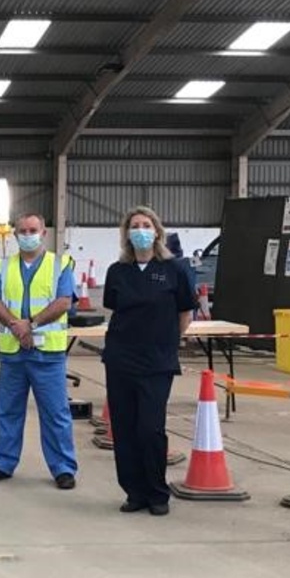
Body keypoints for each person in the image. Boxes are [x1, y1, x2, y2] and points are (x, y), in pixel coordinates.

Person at [101, 206, 196, 517]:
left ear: (156, 231)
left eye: (145, 225)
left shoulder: (175, 270)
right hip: (120, 359)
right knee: (124, 428)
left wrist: (170, 342)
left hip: (156, 361)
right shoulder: (118, 271)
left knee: (150, 428)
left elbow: (185, 311)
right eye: (134, 225)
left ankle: (157, 492)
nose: (140, 230)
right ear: (127, 234)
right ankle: (134, 491)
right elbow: (115, 308)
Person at [0, 214, 78, 489]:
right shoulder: (4, 265)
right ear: (14, 234)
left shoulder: (60, 264)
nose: (27, 234)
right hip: (13, 354)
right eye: (22, 230)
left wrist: (30, 324)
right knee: (7, 411)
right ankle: (3, 462)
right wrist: (14, 325)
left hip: (48, 354)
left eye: (32, 230)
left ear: (43, 232)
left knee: (55, 413)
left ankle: (63, 467)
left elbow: (63, 301)